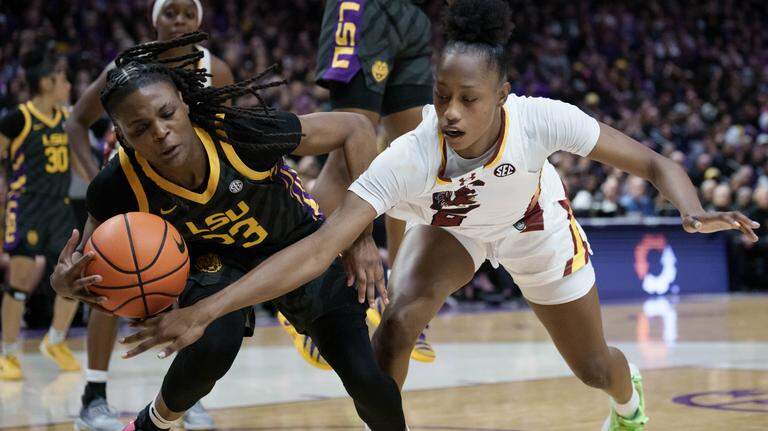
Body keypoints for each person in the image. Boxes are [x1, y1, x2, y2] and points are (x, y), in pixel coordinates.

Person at [105, 2, 761, 430]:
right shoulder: (412, 156)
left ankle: (628, 401)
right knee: (396, 324)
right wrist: (355, 242)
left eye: (467, 99)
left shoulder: (540, 118)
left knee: (592, 367)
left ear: (501, 97)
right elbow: (317, 245)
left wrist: (695, 209)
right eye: (440, 95)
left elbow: (649, 162)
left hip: (533, 225)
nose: (448, 111)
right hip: (454, 230)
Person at [52, 32, 406, 431]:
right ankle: (151, 424)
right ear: (121, 136)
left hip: (298, 246)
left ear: (184, 104)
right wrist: (65, 285)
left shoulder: (240, 133)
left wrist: (360, 238)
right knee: (213, 343)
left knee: (366, 380)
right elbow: (86, 269)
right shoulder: (117, 183)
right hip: (215, 264)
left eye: (167, 114)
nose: (161, 132)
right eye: (140, 128)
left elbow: (356, 128)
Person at [65, 1, 233, 429]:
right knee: (105, 280)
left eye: (186, 13)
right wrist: (93, 182)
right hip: (132, 182)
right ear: (154, 18)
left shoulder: (219, 68)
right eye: (170, 13)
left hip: (188, 188)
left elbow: (230, 134)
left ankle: (183, 393)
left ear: (199, 18)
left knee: (190, 287)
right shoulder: (128, 63)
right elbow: (76, 123)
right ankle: (94, 395)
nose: (179, 21)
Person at [281, 0, 437, 370]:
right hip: (368, 8)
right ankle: (296, 292)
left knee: (412, 158)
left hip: (414, 16)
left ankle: (395, 297)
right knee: (345, 155)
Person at [0, 47, 84, 380]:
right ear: (48, 82)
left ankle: (56, 339)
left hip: (60, 205)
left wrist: (99, 186)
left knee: (74, 276)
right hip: (27, 205)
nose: (68, 85)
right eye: (63, 80)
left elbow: (79, 162)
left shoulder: (68, 118)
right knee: (20, 280)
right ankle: (7, 352)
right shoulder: (17, 118)